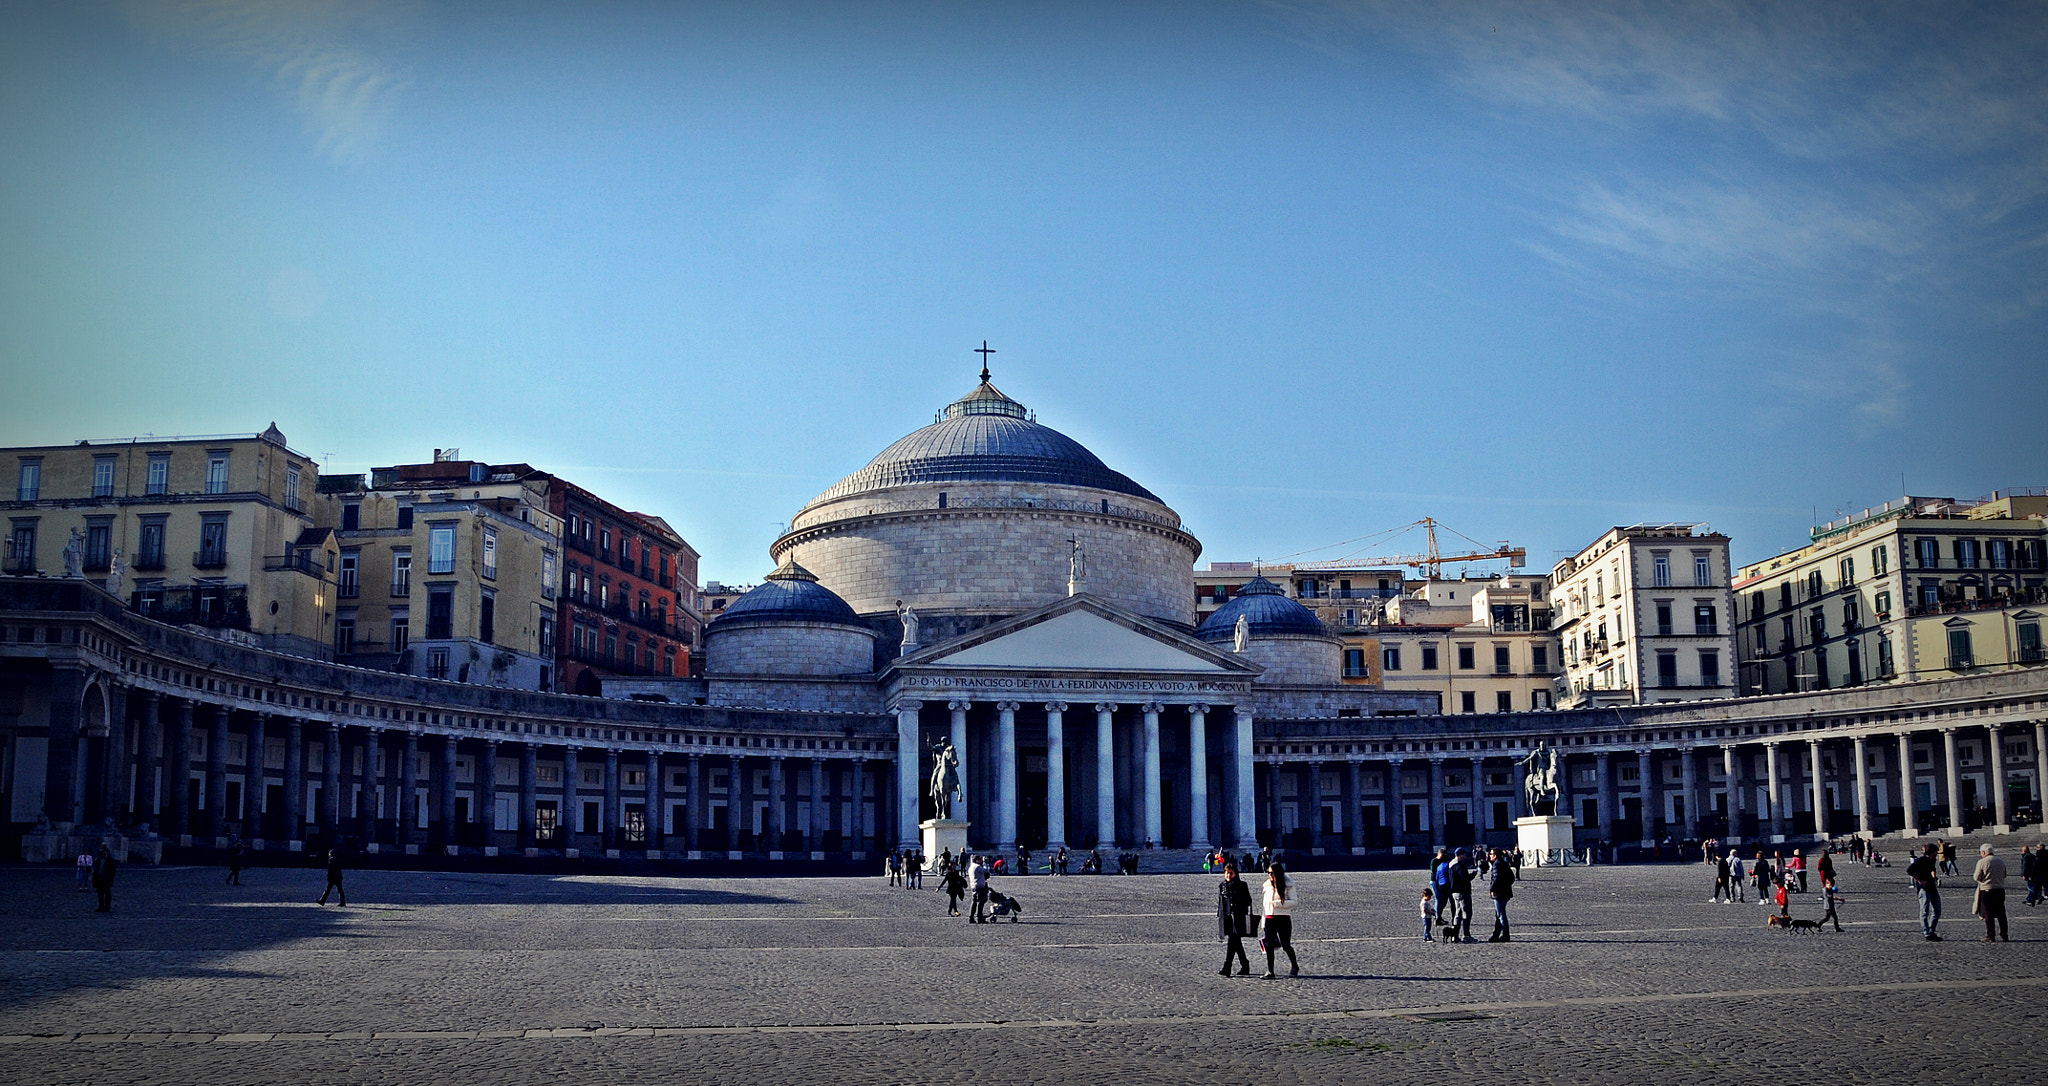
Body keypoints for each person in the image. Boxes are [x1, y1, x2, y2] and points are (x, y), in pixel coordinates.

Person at [1260, 862, 1299, 978]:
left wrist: (1278, 904)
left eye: (1272, 873)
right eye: (1268, 873)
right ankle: (1270, 971)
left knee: (1286, 945)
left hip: (1283, 918)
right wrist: (1263, 921)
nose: (1270, 875)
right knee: (1269, 946)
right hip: (1269, 918)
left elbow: (1294, 902)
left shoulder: (1288, 884)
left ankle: (1295, 966)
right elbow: (1265, 906)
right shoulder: (1267, 885)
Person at [1217, 862, 1254, 975]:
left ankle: (1227, 966)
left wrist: (1236, 904)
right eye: (1226, 873)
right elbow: (1220, 903)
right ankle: (1245, 965)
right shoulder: (1222, 885)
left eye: (1231, 873)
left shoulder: (1242, 885)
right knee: (1236, 942)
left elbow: (1248, 901)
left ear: (1236, 874)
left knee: (1232, 940)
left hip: (1238, 917)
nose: (1228, 875)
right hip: (1227, 917)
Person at [1973, 844, 2009, 942]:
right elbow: (2005, 874)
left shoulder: (1982, 862)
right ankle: (2004, 934)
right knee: (2002, 914)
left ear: (1984, 852)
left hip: (1987, 890)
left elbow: (1976, 877)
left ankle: (1991, 935)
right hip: (2000, 889)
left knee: (1989, 914)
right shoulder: (2000, 861)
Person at [1907, 843, 1941, 941]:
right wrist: (1920, 881)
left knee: (1937, 911)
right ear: (1931, 852)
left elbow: (1932, 869)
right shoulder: (1921, 860)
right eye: (1935, 851)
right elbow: (1909, 870)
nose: (1937, 853)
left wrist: (1934, 877)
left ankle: (1931, 930)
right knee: (1924, 911)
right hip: (1923, 889)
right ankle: (1927, 933)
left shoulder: (1932, 860)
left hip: (1932, 888)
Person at [1449, 848, 1477, 942]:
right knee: (1466, 913)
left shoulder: (1452, 865)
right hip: (1462, 892)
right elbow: (1465, 878)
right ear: (1460, 855)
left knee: (1458, 914)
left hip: (1455, 892)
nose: (1465, 856)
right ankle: (1466, 935)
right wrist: (1473, 874)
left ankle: (1454, 936)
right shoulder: (1460, 866)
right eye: (1464, 855)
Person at [317, 841, 348, 907]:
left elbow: (330, 870)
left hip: (332, 877)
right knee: (340, 890)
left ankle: (322, 901)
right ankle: (342, 902)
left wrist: (328, 876)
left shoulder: (331, 860)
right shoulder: (338, 859)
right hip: (338, 877)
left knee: (327, 890)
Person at [90, 845, 117, 913]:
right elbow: (96, 870)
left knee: (107, 894)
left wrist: (111, 880)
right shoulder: (98, 860)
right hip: (99, 878)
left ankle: (107, 907)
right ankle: (101, 906)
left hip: (106, 879)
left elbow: (112, 872)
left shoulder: (111, 861)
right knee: (100, 894)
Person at [969, 854, 992, 923]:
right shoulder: (977, 867)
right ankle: (979, 917)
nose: (981, 861)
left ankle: (971, 917)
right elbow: (986, 870)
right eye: (980, 859)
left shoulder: (971, 866)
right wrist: (985, 863)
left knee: (974, 902)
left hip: (973, 886)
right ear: (977, 860)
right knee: (981, 902)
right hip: (979, 886)